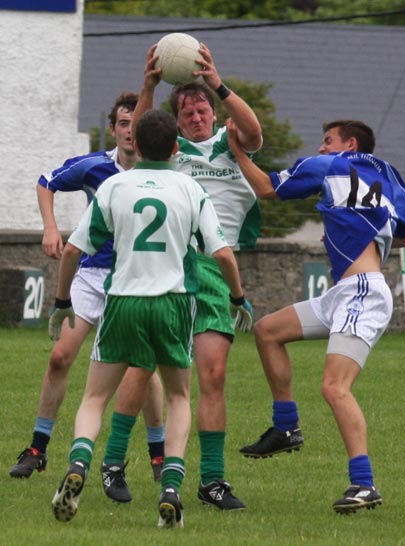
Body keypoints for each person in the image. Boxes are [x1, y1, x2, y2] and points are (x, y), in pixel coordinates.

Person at [50, 109, 252, 529]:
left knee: (93, 398)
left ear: (136, 146)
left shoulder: (114, 185)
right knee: (179, 397)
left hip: (123, 300)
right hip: (174, 302)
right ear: (176, 148)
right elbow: (222, 253)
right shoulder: (190, 187)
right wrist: (238, 298)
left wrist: (62, 301)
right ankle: (171, 488)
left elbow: (72, 250)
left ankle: (80, 463)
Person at [227, 118, 405, 514]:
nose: (321, 149)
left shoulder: (329, 165)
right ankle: (286, 426)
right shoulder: (388, 173)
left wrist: (237, 152)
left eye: (327, 141)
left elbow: (267, 187)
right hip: (345, 293)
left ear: (348, 144)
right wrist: (357, 224)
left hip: (362, 293)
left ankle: (364, 484)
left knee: (334, 388)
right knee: (268, 331)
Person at [100, 41, 263, 510]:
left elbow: (254, 131)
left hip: (214, 267)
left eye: (201, 109)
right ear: (176, 125)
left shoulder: (230, 143)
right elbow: (136, 142)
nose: (195, 117)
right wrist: (148, 86)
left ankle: (211, 480)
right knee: (144, 362)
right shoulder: (167, 153)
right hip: (169, 265)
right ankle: (113, 462)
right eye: (186, 111)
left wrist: (217, 82)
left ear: (212, 113)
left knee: (211, 374)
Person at [9, 92, 166, 488]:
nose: (131, 131)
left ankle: (158, 453)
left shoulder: (161, 172)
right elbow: (46, 181)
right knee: (60, 356)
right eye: (124, 124)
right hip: (91, 277)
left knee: (142, 370)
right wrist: (49, 227)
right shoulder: (95, 166)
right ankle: (37, 448)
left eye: (137, 123)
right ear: (113, 129)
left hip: (134, 281)